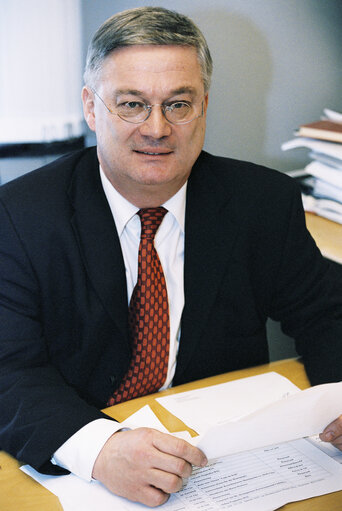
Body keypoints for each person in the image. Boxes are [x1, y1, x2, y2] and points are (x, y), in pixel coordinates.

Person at [0, 6, 342, 507]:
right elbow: (8, 369)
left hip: (225, 458)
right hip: (78, 456)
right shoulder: (18, 216)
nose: (156, 129)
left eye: (178, 104)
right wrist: (100, 450)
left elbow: (326, 313)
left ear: (204, 105)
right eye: (132, 104)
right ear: (91, 109)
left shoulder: (262, 201)